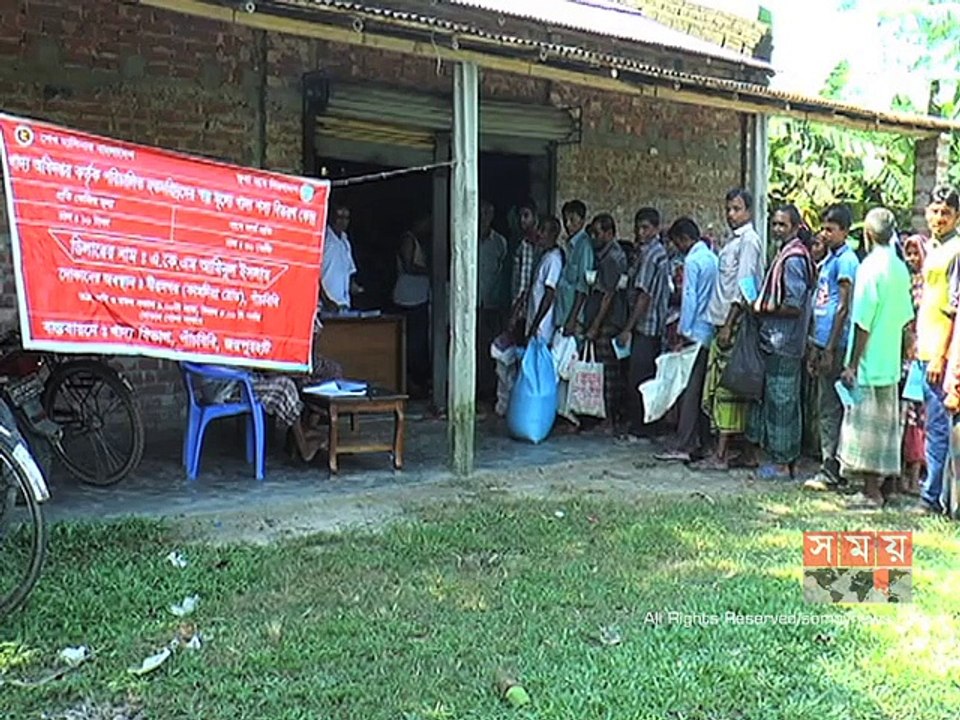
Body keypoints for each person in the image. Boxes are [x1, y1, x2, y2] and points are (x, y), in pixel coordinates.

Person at [837, 208, 915, 509]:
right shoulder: (899, 267)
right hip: (890, 360)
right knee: (887, 426)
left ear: (867, 234)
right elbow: (907, 319)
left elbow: (862, 322)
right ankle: (890, 486)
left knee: (867, 428)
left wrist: (853, 363)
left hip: (869, 361)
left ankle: (870, 491)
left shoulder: (869, 267)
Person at [740, 205, 816, 479]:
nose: (776, 230)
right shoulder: (786, 254)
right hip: (778, 340)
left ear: (795, 228)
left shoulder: (793, 259)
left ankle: (783, 463)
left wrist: (764, 307)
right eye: (774, 224)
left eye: (782, 225)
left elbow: (793, 304)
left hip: (785, 340)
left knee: (782, 401)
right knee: (777, 399)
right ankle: (779, 457)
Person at [693, 188, 763, 470]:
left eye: (736, 209)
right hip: (721, 320)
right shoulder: (734, 241)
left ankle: (721, 454)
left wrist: (729, 324)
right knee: (721, 387)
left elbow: (744, 287)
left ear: (748, 211)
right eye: (728, 209)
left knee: (727, 390)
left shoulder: (749, 242)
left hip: (733, 323)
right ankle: (737, 451)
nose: (731, 214)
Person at [805, 204, 860, 490]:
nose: (825, 234)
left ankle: (832, 468)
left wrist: (828, 347)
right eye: (823, 228)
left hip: (836, 344)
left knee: (830, 406)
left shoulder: (846, 261)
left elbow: (842, 307)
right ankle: (829, 462)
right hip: (823, 340)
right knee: (823, 404)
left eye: (831, 229)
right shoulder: (829, 259)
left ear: (845, 231)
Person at [655, 218, 718, 462]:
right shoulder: (712, 258)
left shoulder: (692, 261)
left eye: (677, 242)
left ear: (684, 239)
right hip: (709, 329)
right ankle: (703, 442)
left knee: (690, 392)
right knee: (702, 390)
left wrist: (682, 331)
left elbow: (688, 299)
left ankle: (684, 443)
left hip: (694, 331)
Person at [914, 185, 960, 515]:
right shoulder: (931, 247)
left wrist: (941, 355)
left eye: (946, 212)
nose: (939, 218)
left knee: (939, 428)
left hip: (940, 352)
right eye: (935, 211)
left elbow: (953, 310)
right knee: (931, 425)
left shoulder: (955, 251)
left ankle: (932, 499)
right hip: (925, 345)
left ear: (956, 216)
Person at [618, 208, 670, 439]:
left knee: (639, 379)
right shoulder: (652, 252)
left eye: (646, 228)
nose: (640, 232)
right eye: (638, 227)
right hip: (654, 325)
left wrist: (628, 328)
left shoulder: (651, 255)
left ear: (656, 228)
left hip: (646, 326)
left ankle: (642, 427)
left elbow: (644, 295)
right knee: (647, 377)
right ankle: (647, 425)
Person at [583, 213, 628, 431]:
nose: (594, 237)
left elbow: (608, 295)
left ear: (609, 233)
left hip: (609, 322)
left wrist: (595, 325)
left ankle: (609, 419)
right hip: (605, 321)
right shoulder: (604, 255)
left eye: (598, 233)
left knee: (608, 372)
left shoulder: (612, 258)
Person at [900, 234, 928, 495]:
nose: (911, 259)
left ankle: (917, 474)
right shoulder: (908, 283)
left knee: (921, 417)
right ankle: (906, 474)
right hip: (907, 357)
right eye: (907, 253)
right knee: (909, 417)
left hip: (923, 355)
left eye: (915, 253)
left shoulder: (929, 286)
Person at [392, 220, 431, 396]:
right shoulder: (409, 239)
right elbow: (408, 265)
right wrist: (431, 271)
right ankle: (409, 383)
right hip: (408, 299)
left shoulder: (421, 241)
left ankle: (416, 382)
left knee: (419, 344)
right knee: (411, 345)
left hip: (418, 298)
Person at [477, 200, 508, 401]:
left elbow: (503, 273)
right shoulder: (467, 236)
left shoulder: (500, 242)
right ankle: (475, 389)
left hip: (492, 303)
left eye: (489, 212)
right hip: (472, 304)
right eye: (482, 212)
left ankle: (489, 391)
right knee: (474, 348)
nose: (485, 216)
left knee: (491, 348)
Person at [557, 200, 595, 338]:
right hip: (562, 314)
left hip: (573, 319)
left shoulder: (584, 246)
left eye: (572, 220)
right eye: (565, 220)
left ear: (582, 221)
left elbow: (582, 287)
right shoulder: (569, 245)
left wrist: (573, 319)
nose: (567, 224)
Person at [525, 217, 564, 343]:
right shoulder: (545, 256)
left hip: (543, 328)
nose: (539, 234)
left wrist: (536, 324)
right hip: (536, 324)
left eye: (543, 230)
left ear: (553, 234)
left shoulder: (553, 260)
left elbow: (549, 295)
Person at [505, 200, 541, 333]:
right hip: (521, 310)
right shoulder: (521, 245)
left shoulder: (540, 247)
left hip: (533, 310)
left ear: (535, 217)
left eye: (526, 215)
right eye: (520, 216)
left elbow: (527, 284)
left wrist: (516, 311)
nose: (522, 220)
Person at [321, 204, 363, 311]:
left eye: (346, 218)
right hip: (326, 305)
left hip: (344, 304)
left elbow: (349, 271)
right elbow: (313, 274)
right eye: (339, 217)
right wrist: (326, 301)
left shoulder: (345, 241)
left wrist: (354, 287)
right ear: (332, 218)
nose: (343, 221)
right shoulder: (323, 238)